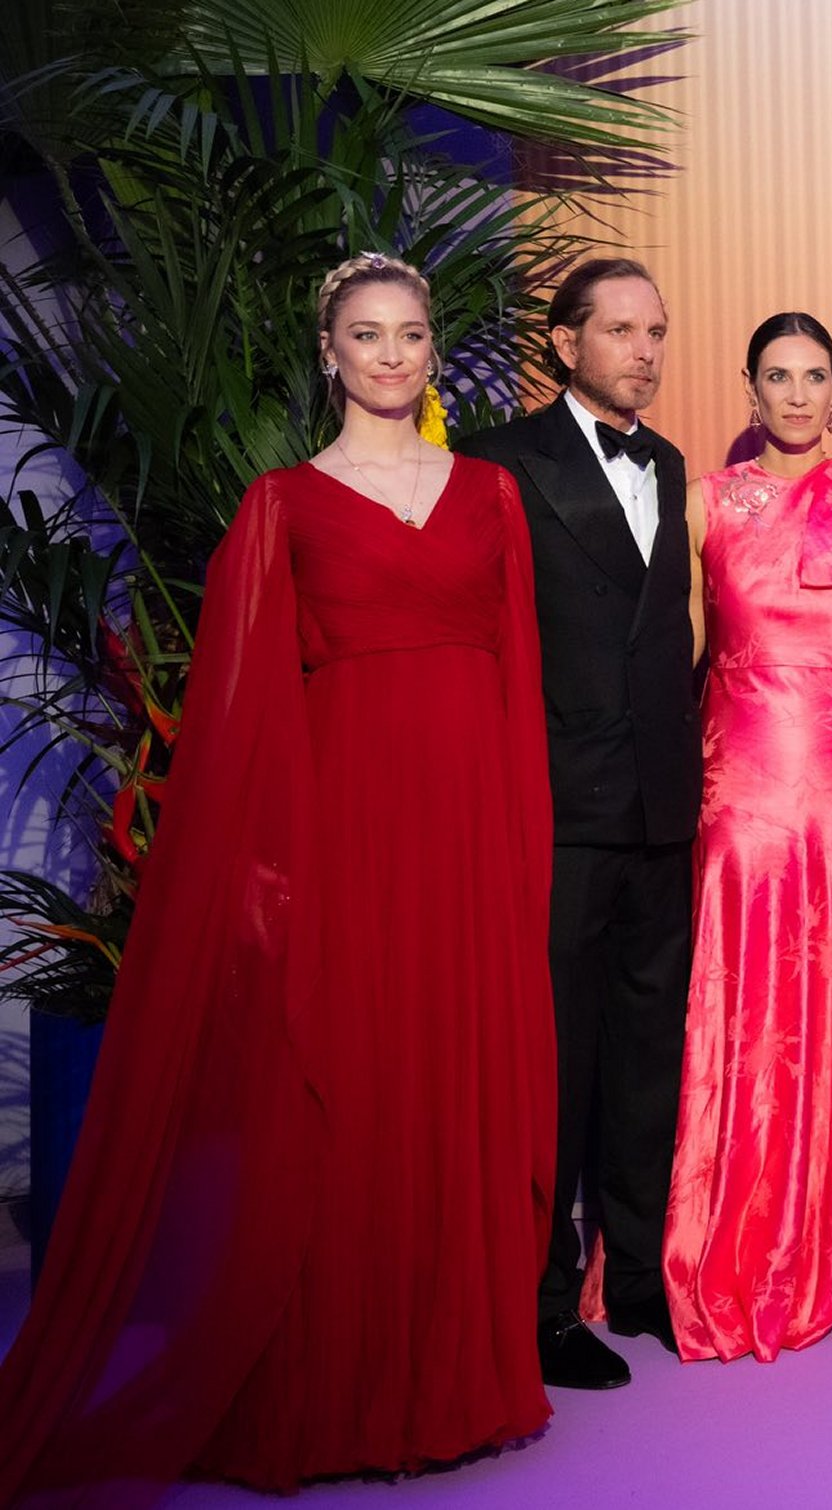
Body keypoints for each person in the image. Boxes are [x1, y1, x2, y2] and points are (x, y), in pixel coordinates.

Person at [0, 253, 557, 1501]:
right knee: (355, 1093)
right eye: (367, 336)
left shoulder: (491, 498)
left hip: (471, 837)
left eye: (411, 334)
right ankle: (341, 1384)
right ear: (328, 352)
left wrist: (525, 844)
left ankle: (455, 1379)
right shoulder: (283, 506)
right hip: (353, 839)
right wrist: (269, 879)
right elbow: (247, 720)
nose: (393, 356)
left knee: (449, 1079)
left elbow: (520, 687)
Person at [456, 258, 702, 1389]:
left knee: (648, 1058)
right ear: (564, 343)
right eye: (619, 330)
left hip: (662, 809)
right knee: (556, 1066)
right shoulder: (503, 462)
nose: (644, 350)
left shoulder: (669, 459)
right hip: (558, 811)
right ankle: (548, 1304)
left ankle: (640, 1279)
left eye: (655, 330)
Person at [661, 313, 832, 1361]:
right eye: (779, 376)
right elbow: (678, 649)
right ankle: (734, 1228)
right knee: (743, 998)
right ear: (749, 388)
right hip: (739, 788)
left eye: (816, 376)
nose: (799, 394)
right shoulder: (708, 504)